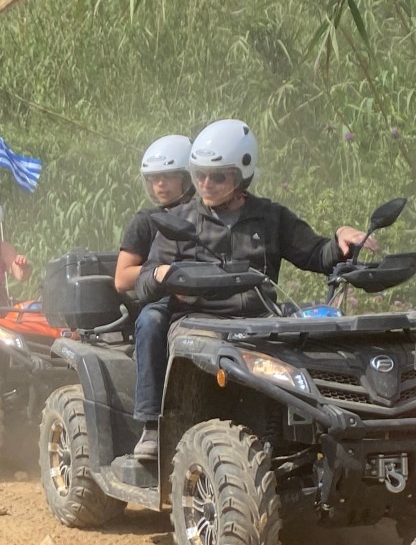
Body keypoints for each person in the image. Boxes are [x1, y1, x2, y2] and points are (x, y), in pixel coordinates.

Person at [130, 119, 376, 460]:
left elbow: (317, 254)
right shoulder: (178, 220)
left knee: (319, 330)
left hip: (260, 323)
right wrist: (158, 273)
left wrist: (340, 241)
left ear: (242, 174)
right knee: (149, 319)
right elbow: (142, 285)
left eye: (218, 176)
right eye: (200, 174)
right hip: (197, 323)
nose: (206, 184)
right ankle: (152, 427)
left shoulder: (271, 217)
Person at [113, 135, 195, 293]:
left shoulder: (207, 216)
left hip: (206, 298)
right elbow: (121, 279)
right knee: (151, 318)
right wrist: (164, 271)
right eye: (153, 178)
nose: (160, 184)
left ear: (190, 177)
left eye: (169, 176)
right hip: (160, 298)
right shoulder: (145, 221)